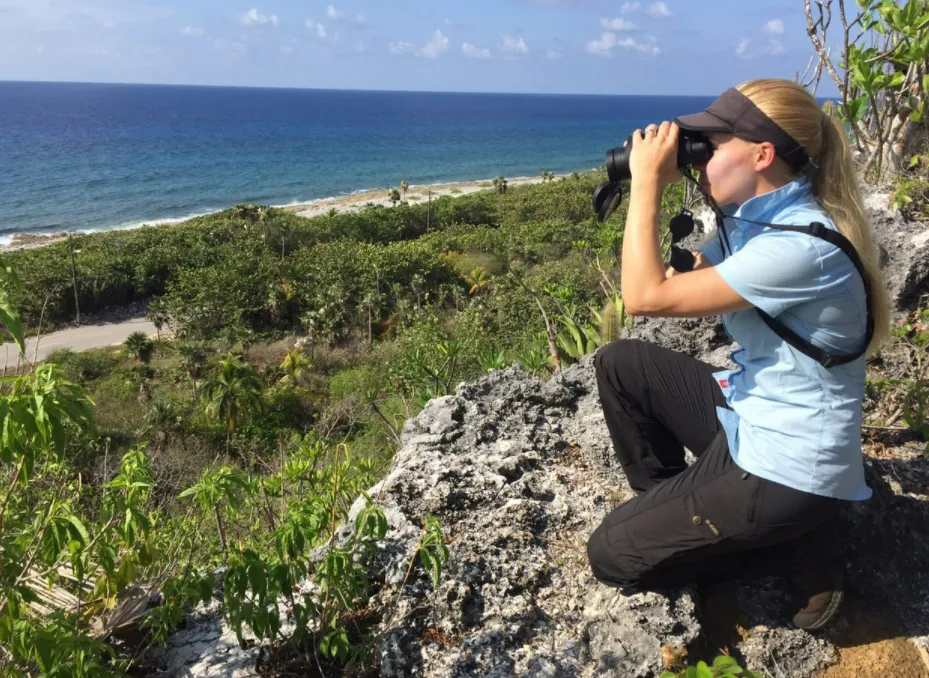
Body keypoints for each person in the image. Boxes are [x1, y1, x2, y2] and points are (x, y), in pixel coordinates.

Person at [585, 78, 891, 631]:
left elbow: (644, 296)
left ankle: (790, 545)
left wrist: (648, 182)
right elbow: (691, 278)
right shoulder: (758, 216)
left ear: (762, 154)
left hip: (790, 466)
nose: (700, 155)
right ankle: (685, 515)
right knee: (621, 363)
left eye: (712, 143)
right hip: (753, 416)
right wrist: (684, 181)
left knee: (609, 555)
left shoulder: (797, 247)